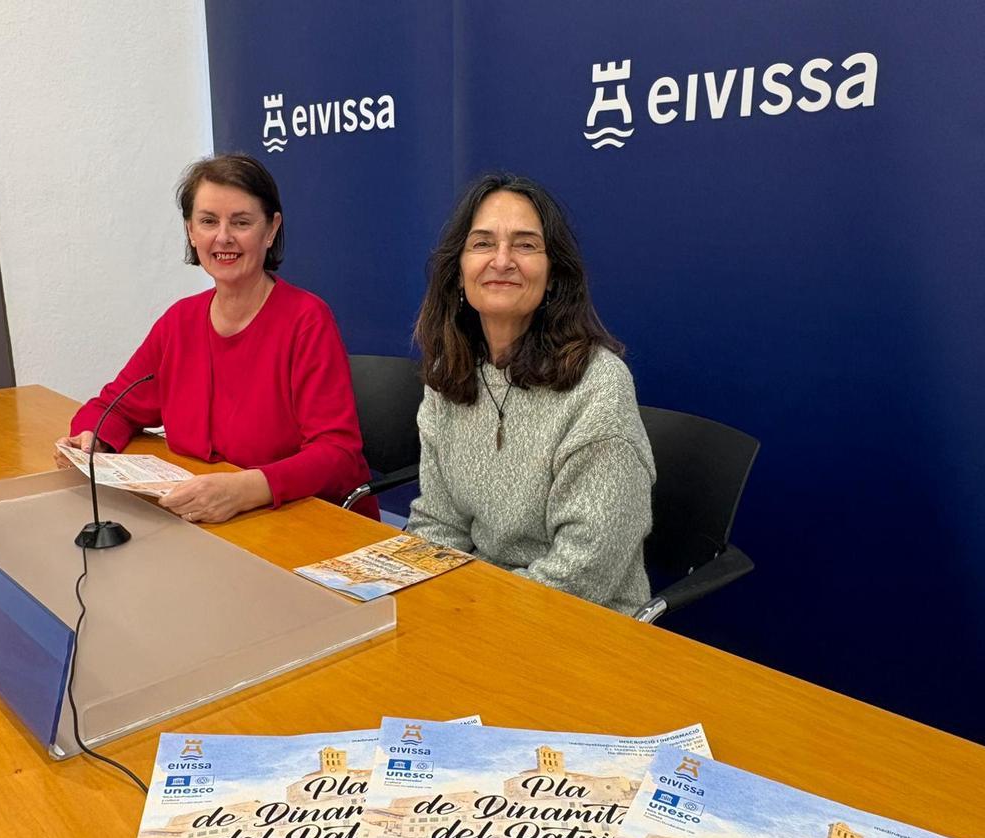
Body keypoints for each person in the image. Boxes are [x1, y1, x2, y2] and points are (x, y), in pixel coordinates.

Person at [56, 154, 378, 522]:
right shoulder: (179, 321)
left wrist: (246, 489)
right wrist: (92, 440)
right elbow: (113, 406)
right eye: (208, 221)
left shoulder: (307, 320)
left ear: (270, 230)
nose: (223, 237)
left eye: (241, 222)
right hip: (207, 520)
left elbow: (337, 454)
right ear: (191, 231)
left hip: (306, 522)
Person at [407, 174, 655, 614]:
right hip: (478, 611)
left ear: (554, 274)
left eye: (525, 245)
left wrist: (467, 613)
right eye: (482, 243)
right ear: (458, 273)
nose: (501, 260)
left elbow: (582, 575)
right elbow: (438, 526)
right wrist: (417, 606)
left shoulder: (599, 386)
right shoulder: (450, 375)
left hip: (582, 629)